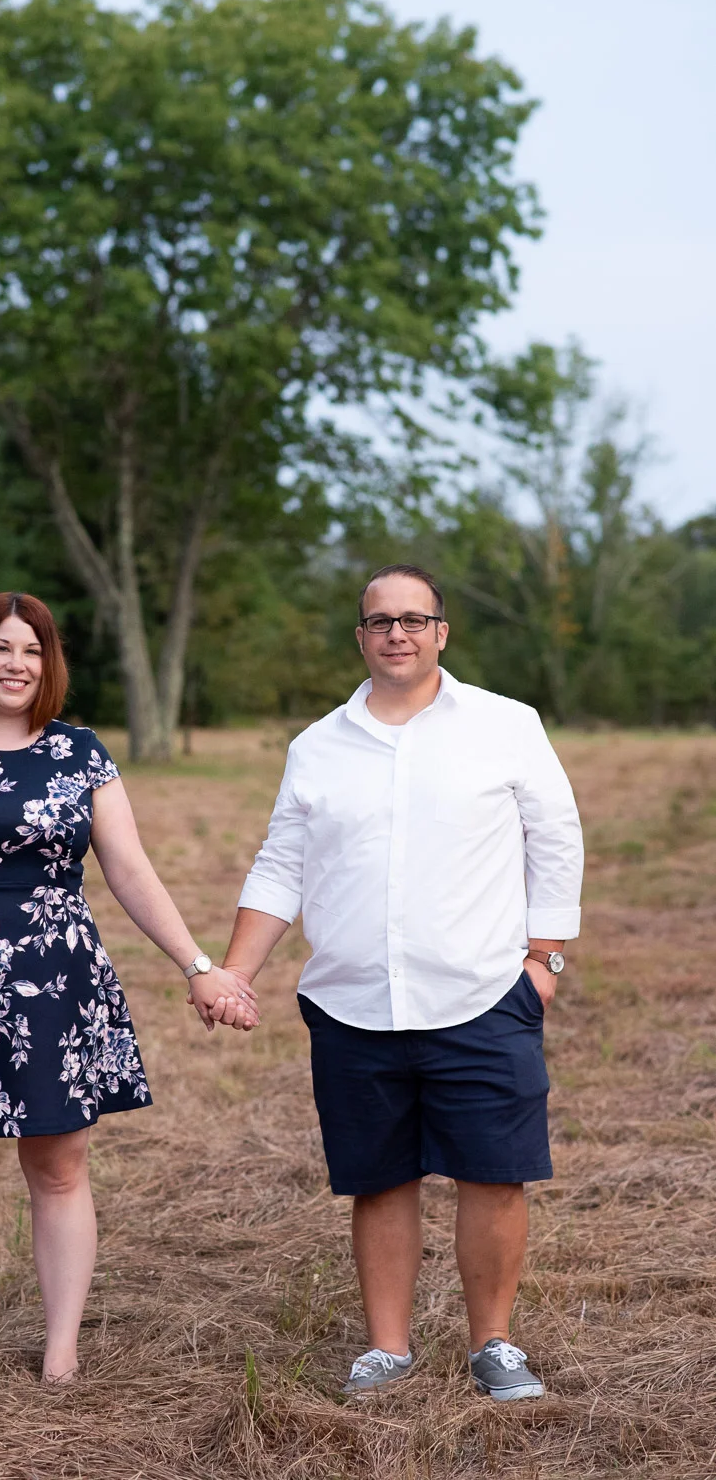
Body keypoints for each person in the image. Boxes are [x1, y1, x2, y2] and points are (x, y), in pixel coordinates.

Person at [0, 591, 258, 1411]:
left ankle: (60, 1355)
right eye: (1, 648)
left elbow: (129, 870)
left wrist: (198, 964)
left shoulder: (80, 754)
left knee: (60, 1170)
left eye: (31, 650)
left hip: (55, 986)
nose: (16, 664)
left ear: (49, 664)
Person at [220, 564, 583, 1401]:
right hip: (351, 1001)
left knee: (494, 1173)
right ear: (360, 636)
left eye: (413, 619)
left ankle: (492, 1343)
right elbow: (282, 863)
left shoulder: (504, 725)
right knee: (378, 1178)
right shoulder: (318, 745)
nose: (397, 633)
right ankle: (386, 1348)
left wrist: (544, 960)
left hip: (484, 994)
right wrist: (236, 969)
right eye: (380, 621)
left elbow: (554, 838)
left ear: (440, 633)